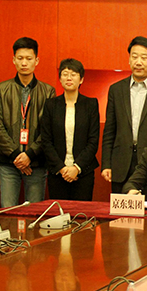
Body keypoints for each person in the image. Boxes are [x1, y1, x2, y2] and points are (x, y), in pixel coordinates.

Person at [102, 36, 147, 194]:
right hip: (121, 164)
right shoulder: (116, 90)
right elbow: (110, 129)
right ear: (129, 59)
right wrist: (106, 164)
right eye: (134, 57)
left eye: (144, 57)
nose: (138, 62)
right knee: (121, 207)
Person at [0, 37, 56, 207]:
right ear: (14, 60)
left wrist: (29, 155)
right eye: (20, 58)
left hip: (36, 163)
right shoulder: (2, 89)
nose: (24, 63)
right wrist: (16, 155)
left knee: (34, 213)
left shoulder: (48, 91)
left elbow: (48, 130)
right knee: (7, 212)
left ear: (37, 61)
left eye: (29, 58)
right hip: (8, 163)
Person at [40, 58, 100, 201]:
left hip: (83, 172)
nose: (69, 78)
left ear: (81, 79)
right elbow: (46, 141)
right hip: (57, 172)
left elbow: (93, 141)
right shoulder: (51, 105)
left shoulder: (91, 104)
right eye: (65, 74)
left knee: (81, 213)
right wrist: (62, 168)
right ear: (60, 78)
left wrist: (76, 168)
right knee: (59, 212)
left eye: (73, 74)